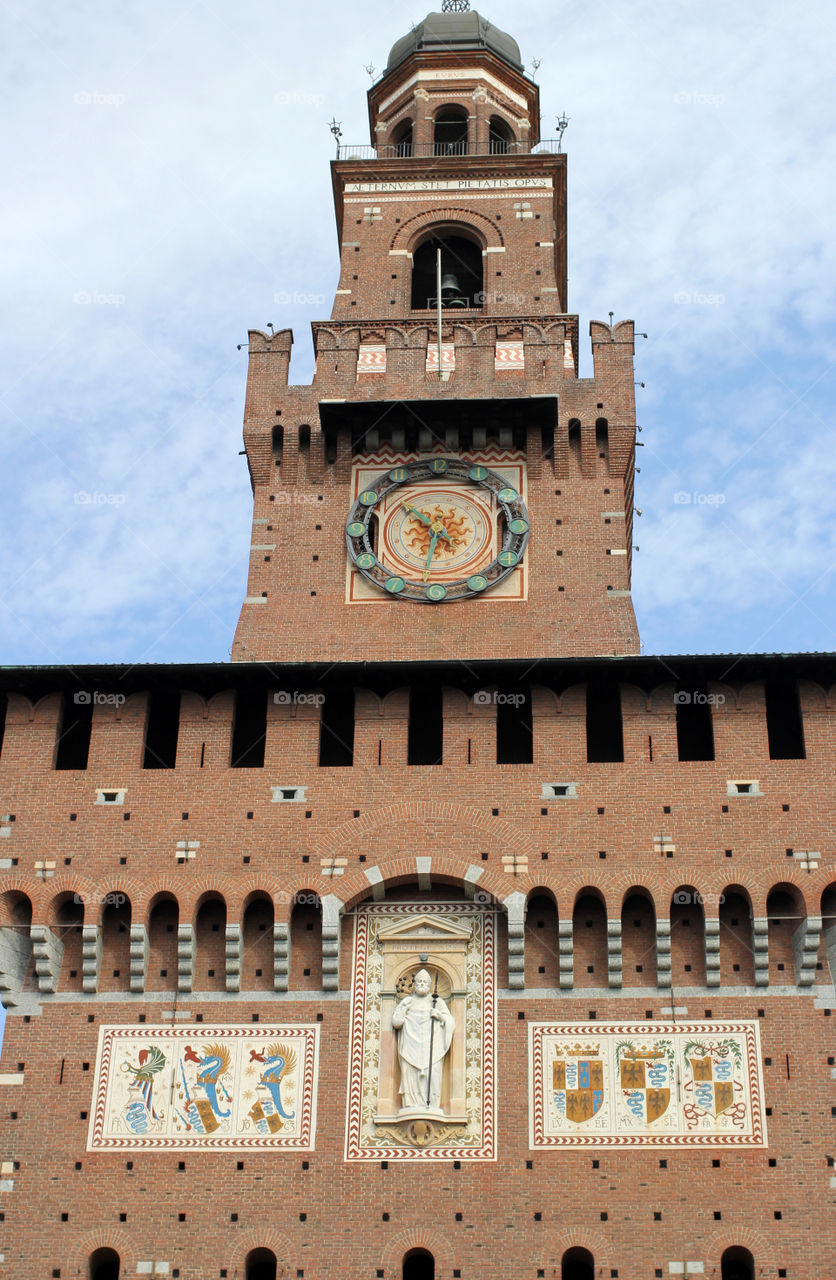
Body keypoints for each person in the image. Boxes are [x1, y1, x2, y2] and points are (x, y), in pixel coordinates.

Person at [391, 968, 454, 1111]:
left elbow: (450, 1022)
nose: (421, 984)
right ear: (415, 984)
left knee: (433, 1076)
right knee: (410, 1076)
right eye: (419, 981)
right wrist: (404, 1009)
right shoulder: (408, 1001)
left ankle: (431, 1104)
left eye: (425, 982)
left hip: (433, 1047)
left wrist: (439, 1016)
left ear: (430, 984)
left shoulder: (437, 1002)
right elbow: (396, 1022)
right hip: (410, 1047)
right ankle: (410, 1104)